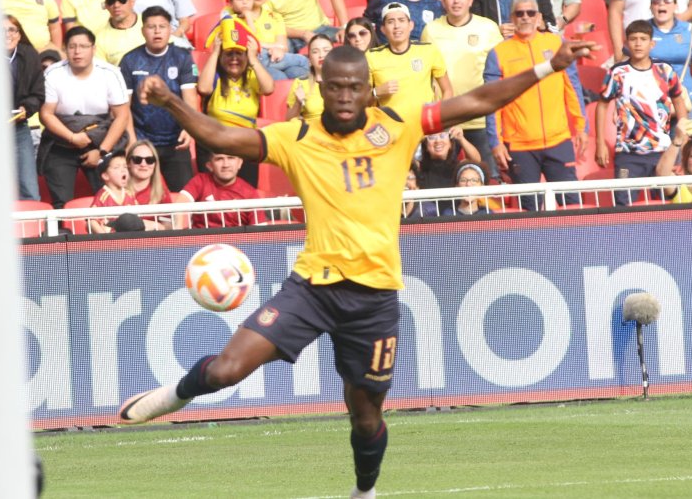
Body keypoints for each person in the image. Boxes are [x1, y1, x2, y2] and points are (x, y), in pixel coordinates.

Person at [117, 33, 592, 499]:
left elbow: (479, 101)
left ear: (369, 89)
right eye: (336, 87)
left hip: (374, 301)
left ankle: (365, 491)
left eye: (354, 87)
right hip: (311, 290)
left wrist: (549, 67)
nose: (345, 97)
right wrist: (170, 104)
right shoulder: (295, 137)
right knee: (225, 371)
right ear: (320, 87)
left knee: (365, 417)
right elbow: (220, 134)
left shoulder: (400, 123)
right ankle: (173, 396)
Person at [484, 0, 586, 205]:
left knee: (572, 206)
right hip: (520, 146)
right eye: (520, 13)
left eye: (530, 13)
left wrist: (581, 127)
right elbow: (493, 102)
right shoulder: (498, 53)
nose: (525, 18)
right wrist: (496, 142)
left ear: (539, 17)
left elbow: (573, 87)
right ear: (512, 18)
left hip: (558, 140)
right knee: (528, 211)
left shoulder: (557, 44)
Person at [595, 20, 688, 205]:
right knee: (624, 208)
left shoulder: (665, 70)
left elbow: (678, 99)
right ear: (627, 43)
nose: (638, 43)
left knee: (666, 207)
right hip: (628, 152)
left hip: (661, 150)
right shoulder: (618, 72)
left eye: (643, 39)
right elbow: (602, 105)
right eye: (633, 39)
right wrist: (600, 143)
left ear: (652, 43)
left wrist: (683, 128)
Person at [38, 26, 132, 208]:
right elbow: (46, 114)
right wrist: (73, 137)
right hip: (62, 141)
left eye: (83, 46)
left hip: (101, 141)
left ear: (93, 49)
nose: (77, 51)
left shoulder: (110, 73)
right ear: (64, 49)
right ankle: (63, 235)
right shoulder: (53, 73)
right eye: (72, 46)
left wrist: (102, 150)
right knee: (61, 202)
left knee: (111, 197)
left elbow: (121, 116)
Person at [422, 0, 503, 175]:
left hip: (480, 115)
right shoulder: (431, 30)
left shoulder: (488, 28)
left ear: (470, 0)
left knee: (486, 176)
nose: (456, 1)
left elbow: (501, 69)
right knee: (444, 178)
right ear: (443, 2)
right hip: (445, 119)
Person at [120, 7, 201, 191]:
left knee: (182, 197)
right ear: (143, 31)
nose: (157, 31)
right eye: (151, 27)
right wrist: (131, 140)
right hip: (142, 142)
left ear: (169, 29)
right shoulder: (130, 60)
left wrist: (189, 129)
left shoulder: (183, 58)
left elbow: (190, 97)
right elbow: (124, 105)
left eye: (162, 26)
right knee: (138, 197)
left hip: (175, 142)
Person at [198, 17, 274, 185]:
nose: (234, 59)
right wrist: (216, 52)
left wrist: (253, 58)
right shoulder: (215, 76)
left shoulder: (251, 76)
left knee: (245, 194)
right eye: (229, 54)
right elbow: (203, 88)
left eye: (239, 54)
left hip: (246, 145)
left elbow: (269, 88)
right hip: (217, 146)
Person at [368, 2, 453, 112]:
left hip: (423, 126)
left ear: (411, 25)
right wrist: (376, 92)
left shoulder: (428, 50)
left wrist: (439, 116)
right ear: (383, 29)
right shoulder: (372, 56)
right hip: (389, 126)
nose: (397, 26)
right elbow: (361, 101)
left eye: (401, 20)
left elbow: (448, 90)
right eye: (390, 22)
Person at [219, 0, 309, 80]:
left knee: (298, 71)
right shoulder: (230, 19)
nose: (244, 2)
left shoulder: (265, 16)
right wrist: (248, 16)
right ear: (230, 3)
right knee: (301, 61)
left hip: (265, 55)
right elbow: (251, 37)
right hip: (254, 58)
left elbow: (277, 44)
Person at [646, 0, 692, 117]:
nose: (661, 4)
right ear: (651, 7)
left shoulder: (689, 30)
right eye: (656, 1)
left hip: (685, 98)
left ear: (676, 5)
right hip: (652, 100)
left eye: (667, 0)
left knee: (685, 137)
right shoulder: (642, 31)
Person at [7, 15, 46, 201]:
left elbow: (38, 93)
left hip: (18, 127)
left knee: (29, 187)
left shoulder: (29, 55)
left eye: (11, 30)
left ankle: (33, 230)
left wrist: (26, 109)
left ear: (19, 34)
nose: (7, 35)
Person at [178, 152, 264, 227]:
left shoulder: (250, 193)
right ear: (210, 165)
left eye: (231, 158)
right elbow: (181, 202)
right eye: (219, 159)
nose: (226, 165)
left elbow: (260, 233)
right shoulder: (200, 181)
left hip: (236, 244)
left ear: (240, 163)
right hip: (202, 243)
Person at [93, 0, 143, 66]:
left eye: (122, 0)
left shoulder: (150, 24)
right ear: (106, 5)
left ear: (132, 2)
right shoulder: (99, 38)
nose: (116, 5)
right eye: (111, 1)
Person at [417, 127, 483, 189]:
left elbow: (476, 161)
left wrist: (461, 138)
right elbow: (407, 161)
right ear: (426, 146)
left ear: (451, 144)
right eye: (432, 137)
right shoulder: (419, 167)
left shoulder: (458, 166)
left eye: (443, 136)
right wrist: (417, 140)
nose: (438, 141)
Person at [89, 150, 137, 233]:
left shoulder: (129, 194)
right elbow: (92, 221)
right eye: (117, 167)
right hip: (111, 242)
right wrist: (105, 238)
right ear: (105, 176)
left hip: (129, 240)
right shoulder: (102, 196)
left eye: (125, 167)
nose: (123, 170)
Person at [286, 34, 332, 120]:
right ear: (309, 59)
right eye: (315, 52)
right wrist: (298, 103)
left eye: (326, 50)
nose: (321, 55)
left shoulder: (343, 80)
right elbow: (288, 119)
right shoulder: (301, 83)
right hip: (311, 130)